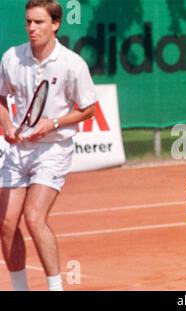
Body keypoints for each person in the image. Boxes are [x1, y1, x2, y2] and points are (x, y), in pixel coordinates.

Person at [0, 0, 97, 291]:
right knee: (5, 224)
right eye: (28, 21)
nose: (32, 28)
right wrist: (7, 126)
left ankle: (55, 288)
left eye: (39, 22)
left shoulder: (72, 64)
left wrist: (52, 123)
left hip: (52, 150)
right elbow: (1, 99)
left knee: (33, 217)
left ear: (55, 24)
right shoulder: (12, 58)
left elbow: (89, 108)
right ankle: (20, 289)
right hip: (17, 150)